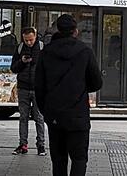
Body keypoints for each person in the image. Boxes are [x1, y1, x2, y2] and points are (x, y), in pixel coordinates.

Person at [35, 14, 102, 176]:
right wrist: (81, 88)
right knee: (79, 158)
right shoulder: (85, 51)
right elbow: (97, 82)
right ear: (75, 31)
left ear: (57, 30)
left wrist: (47, 111)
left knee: (58, 160)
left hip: (55, 115)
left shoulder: (46, 52)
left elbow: (39, 86)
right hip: (78, 115)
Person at [10, 27, 46, 156]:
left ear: (35, 36)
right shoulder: (20, 48)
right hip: (23, 87)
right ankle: (23, 144)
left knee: (39, 118)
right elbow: (13, 68)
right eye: (26, 40)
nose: (29, 43)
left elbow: (48, 67)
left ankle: (41, 144)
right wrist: (22, 61)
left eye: (31, 39)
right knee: (23, 117)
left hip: (38, 88)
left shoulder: (42, 48)